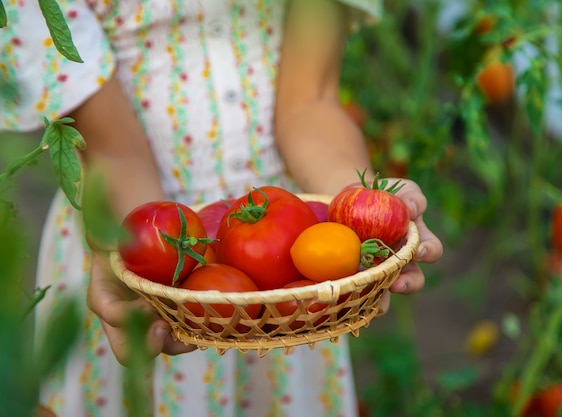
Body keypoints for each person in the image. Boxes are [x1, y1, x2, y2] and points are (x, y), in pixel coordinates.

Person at [1, 1, 443, 416]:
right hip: (138, 222)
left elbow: (310, 101)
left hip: (291, 269)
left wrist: (356, 207)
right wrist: (151, 272)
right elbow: (114, 151)